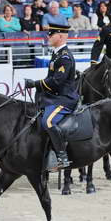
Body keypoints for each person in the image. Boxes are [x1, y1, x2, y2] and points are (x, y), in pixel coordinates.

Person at [24, 24, 78, 171]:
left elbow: (56, 81)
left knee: (47, 121)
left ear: (60, 36)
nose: (48, 37)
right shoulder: (57, 54)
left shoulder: (65, 57)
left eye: (51, 34)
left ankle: (62, 157)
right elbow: (51, 79)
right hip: (55, 96)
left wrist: (35, 84)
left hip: (65, 99)